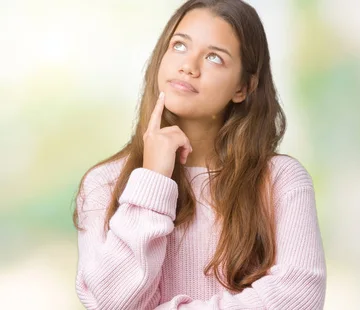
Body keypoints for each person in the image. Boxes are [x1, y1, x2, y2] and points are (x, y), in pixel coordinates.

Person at [72, 0, 326, 309]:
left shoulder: (280, 180)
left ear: (243, 88)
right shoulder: (104, 184)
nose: (189, 66)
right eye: (179, 46)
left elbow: (299, 297)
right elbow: (111, 301)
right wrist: (152, 179)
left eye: (214, 57)